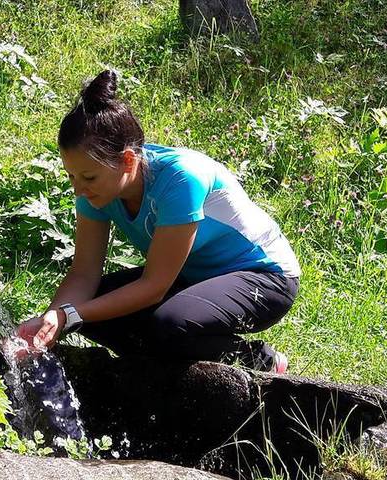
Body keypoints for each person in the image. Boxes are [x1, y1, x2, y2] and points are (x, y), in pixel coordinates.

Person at [15, 70, 300, 372]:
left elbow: (154, 287)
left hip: (266, 277)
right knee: (94, 306)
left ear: (127, 160)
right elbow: (84, 275)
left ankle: (261, 362)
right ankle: (158, 369)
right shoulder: (97, 191)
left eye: (88, 177)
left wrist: (71, 314)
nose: (78, 188)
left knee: (171, 323)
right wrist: (53, 320)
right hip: (193, 275)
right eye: (71, 175)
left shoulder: (180, 179)